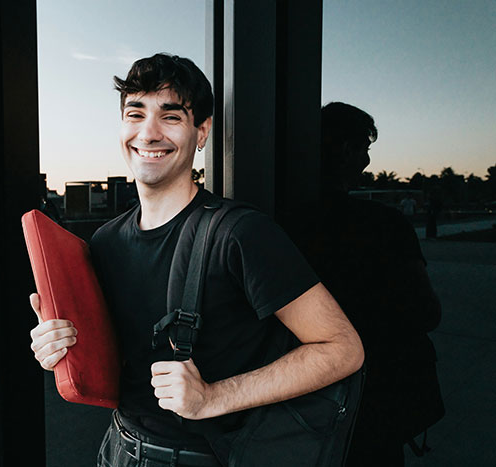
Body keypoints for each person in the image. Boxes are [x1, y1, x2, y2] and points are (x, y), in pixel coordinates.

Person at [29, 54, 364, 466]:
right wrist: (60, 347)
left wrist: (212, 397)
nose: (148, 133)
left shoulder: (240, 233)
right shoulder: (105, 241)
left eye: (170, 116)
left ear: (201, 132)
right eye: (136, 114)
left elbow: (343, 348)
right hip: (118, 448)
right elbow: (117, 358)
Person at [292, 102, 445, 466]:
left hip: (304, 398)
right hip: (375, 397)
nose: (367, 162)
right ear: (346, 149)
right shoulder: (385, 225)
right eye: (364, 150)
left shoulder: (283, 222)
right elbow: (427, 312)